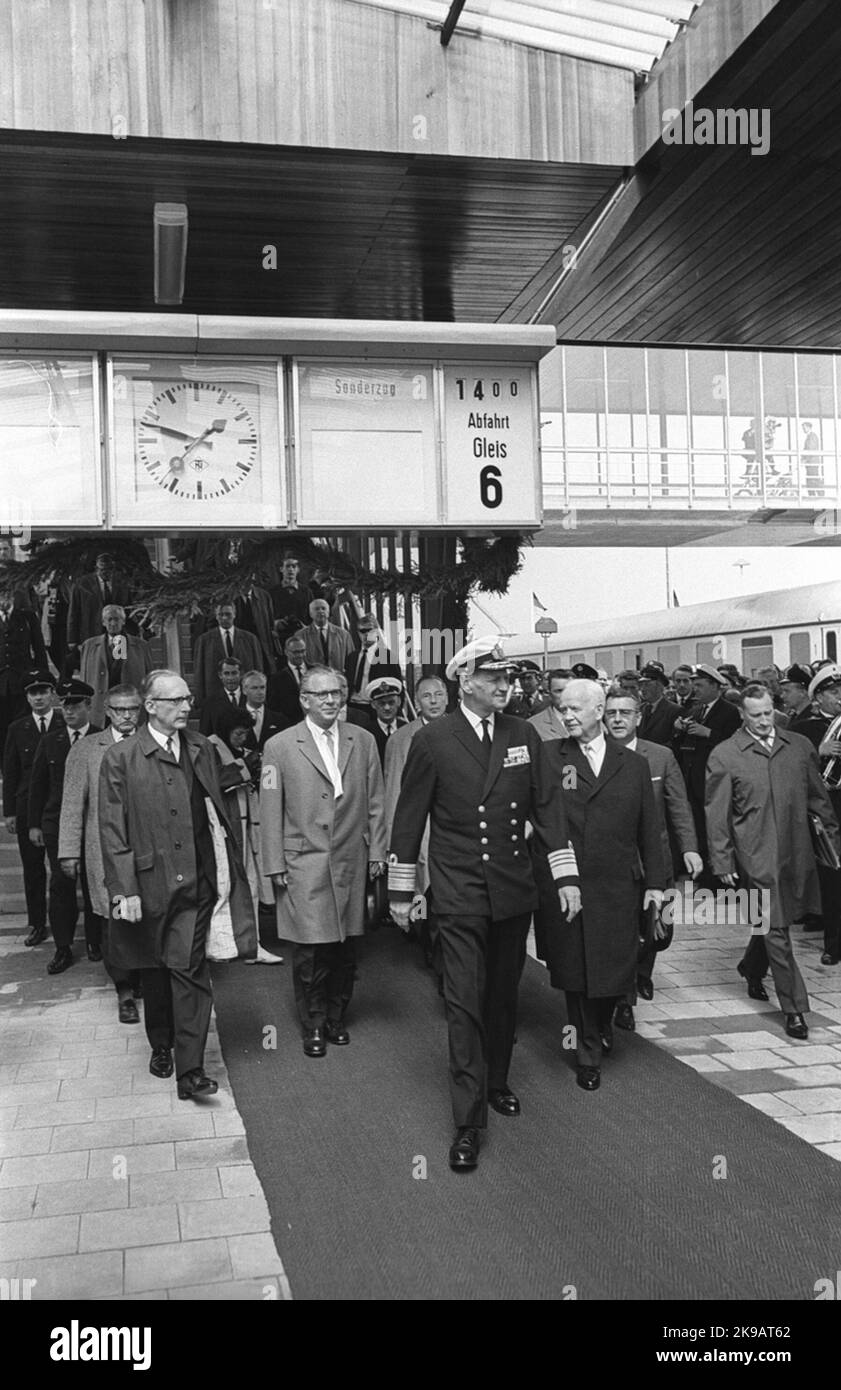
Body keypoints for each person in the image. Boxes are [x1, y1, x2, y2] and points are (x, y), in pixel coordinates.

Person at [389, 639, 580, 1173]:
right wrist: (403, 893)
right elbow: (409, 819)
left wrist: (565, 878)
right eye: (493, 677)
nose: (505, 686)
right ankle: (468, 1120)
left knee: (502, 995)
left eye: (508, 678)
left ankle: (497, 1080)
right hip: (459, 891)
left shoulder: (522, 734)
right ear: (464, 680)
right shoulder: (433, 739)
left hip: (513, 889)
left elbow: (547, 806)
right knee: (465, 1000)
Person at [98, 669, 257, 1098]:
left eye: (189, 699)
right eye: (178, 701)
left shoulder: (202, 747)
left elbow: (216, 806)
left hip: (198, 881)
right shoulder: (122, 757)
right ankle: (161, 1046)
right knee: (154, 968)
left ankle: (190, 1072)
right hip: (150, 882)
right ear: (151, 706)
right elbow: (112, 830)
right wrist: (123, 889)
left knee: (190, 971)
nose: (188, 707)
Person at [534, 678, 664, 1092]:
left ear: (600, 710)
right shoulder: (551, 757)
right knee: (576, 970)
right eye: (562, 709)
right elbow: (545, 820)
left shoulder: (633, 763)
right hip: (568, 884)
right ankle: (587, 1051)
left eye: (575, 709)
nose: (566, 716)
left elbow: (651, 828)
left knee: (614, 968)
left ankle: (602, 1024)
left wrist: (657, 884)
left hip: (618, 887)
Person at [260, 665, 387, 1058]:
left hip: (352, 857)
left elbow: (377, 802)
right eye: (321, 694)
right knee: (311, 950)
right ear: (304, 700)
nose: (331, 700)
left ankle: (336, 1017)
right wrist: (274, 863)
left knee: (346, 947)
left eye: (336, 692)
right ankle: (313, 1024)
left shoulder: (362, 740)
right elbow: (269, 807)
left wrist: (378, 852)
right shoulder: (278, 746)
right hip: (303, 861)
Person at [707, 684, 838, 1041]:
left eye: (768, 713)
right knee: (776, 927)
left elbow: (818, 799)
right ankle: (794, 1009)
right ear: (742, 715)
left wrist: (833, 841)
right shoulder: (725, 755)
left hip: (796, 853)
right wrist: (722, 861)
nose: (764, 721)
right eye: (755, 715)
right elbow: (716, 815)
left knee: (775, 922)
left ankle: (751, 966)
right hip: (755, 857)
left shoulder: (799, 747)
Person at [603, 688, 701, 1030]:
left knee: (660, 931)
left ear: (638, 718)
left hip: (658, 860)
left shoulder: (660, 756)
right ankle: (624, 999)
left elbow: (678, 805)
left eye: (625, 713)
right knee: (625, 931)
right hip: (616, 863)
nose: (617, 719)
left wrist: (689, 847)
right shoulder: (593, 754)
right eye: (611, 712)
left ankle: (643, 970)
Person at [58, 684, 151, 1024]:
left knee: (146, 917)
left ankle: (143, 978)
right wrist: (69, 851)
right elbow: (72, 805)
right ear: (107, 712)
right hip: (104, 852)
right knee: (115, 922)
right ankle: (124, 990)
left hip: (146, 851)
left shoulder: (151, 743)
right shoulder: (86, 750)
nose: (127, 716)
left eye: (133, 709)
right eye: (119, 710)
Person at [28, 679, 101, 975]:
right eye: (65, 705)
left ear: (88, 706)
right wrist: (34, 824)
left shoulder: (101, 738)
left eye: (75, 705)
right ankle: (63, 947)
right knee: (61, 887)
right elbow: (38, 786)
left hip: (94, 823)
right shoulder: (51, 741)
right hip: (58, 825)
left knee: (96, 883)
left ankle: (97, 941)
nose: (68, 711)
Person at [384, 673, 449, 979]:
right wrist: (395, 842)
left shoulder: (461, 730)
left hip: (455, 828)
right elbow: (395, 792)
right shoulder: (401, 739)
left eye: (438, 695)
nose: (433, 701)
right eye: (426, 696)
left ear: (448, 698)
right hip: (421, 830)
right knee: (424, 892)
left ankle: (445, 956)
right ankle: (429, 944)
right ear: (416, 701)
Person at [207, 704, 283, 966]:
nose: (242, 738)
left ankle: (251, 944)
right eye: (237, 734)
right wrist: (245, 767)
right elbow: (214, 781)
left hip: (251, 827)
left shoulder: (248, 752)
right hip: (224, 828)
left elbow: (269, 784)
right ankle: (224, 944)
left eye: (244, 733)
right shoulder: (211, 748)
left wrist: (265, 773)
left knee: (251, 884)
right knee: (225, 886)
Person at [3, 669, 63, 946]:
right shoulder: (18, 728)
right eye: (33, 692)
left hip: (60, 806)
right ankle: (38, 923)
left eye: (43, 691)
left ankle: (65, 921)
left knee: (62, 869)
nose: (39, 697)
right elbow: (11, 772)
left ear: (53, 694)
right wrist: (10, 812)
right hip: (28, 808)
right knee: (33, 869)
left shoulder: (65, 722)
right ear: (27, 698)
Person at [790, 664, 841, 966]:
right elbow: (790, 767)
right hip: (827, 811)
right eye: (834, 693)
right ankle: (833, 944)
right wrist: (819, 750)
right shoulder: (803, 729)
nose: (840, 698)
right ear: (818, 697)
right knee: (833, 879)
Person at [672, 662, 740, 889]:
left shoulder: (729, 711)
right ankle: (703, 873)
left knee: (716, 826)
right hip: (694, 777)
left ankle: (719, 874)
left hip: (715, 778)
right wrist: (679, 729)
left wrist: (708, 733)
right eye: (694, 685)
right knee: (699, 825)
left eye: (700, 685)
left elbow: (735, 745)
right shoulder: (695, 710)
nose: (695, 690)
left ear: (714, 686)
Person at [78, 604, 154, 726]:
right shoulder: (90, 646)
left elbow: (150, 680)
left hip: (130, 706)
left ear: (123, 621)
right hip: (101, 707)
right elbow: (84, 679)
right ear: (103, 622)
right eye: (109, 619)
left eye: (116, 619)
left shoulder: (141, 646)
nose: (113, 623)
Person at [0, 590, 48, 752]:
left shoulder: (27, 617)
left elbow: (39, 649)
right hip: (1, 684)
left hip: (22, 682)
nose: (3, 599)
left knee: (23, 727)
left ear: (12, 595)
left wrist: (43, 679)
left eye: (5, 594)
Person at [192, 603, 263, 707]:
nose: (224, 618)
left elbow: (258, 671)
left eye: (228, 614)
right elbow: (199, 675)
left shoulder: (250, 639)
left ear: (234, 614)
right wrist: (200, 702)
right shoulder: (204, 641)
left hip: (245, 699)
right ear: (216, 616)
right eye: (221, 615)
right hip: (215, 699)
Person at [66, 553, 135, 651]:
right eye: (102, 570)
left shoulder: (122, 582)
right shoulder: (82, 584)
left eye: (109, 569)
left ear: (113, 569)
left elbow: (129, 608)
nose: (106, 573)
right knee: (95, 663)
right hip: (91, 632)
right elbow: (74, 612)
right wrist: (72, 639)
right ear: (96, 569)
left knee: (118, 662)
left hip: (118, 633)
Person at [344, 613, 402, 711]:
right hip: (353, 705)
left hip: (376, 707)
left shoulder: (387, 656)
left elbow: (398, 685)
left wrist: (397, 710)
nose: (366, 634)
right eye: (362, 631)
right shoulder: (352, 657)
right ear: (358, 633)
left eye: (369, 630)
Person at [352, 676, 408, 766]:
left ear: (399, 702)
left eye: (391, 702)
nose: (387, 708)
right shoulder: (366, 733)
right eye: (382, 703)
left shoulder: (407, 729)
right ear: (373, 705)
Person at [239, 670, 289, 752]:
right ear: (244, 690)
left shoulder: (280, 719)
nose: (260, 692)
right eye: (254, 688)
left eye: (262, 687)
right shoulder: (234, 718)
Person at [301, 598, 355, 671]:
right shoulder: (301, 635)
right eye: (317, 609)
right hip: (313, 678)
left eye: (323, 608)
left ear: (329, 612)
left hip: (337, 678)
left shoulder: (344, 635)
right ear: (310, 614)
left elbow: (351, 661)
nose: (320, 611)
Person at [198, 658, 247, 735]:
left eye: (234, 673)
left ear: (241, 674)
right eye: (226, 673)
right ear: (220, 675)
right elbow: (205, 734)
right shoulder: (210, 703)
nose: (230, 678)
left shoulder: (250, 698)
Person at [267, 633, 309, 723]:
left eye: (303, 651)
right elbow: (274, 707)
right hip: (290, 724)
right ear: (286, 652)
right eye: (296, 652)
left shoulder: (316, 671)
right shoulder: (276, 678)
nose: (300, 655)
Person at [638, 661, 681, 745]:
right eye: (641, 685)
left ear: (659, 686)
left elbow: (675, 742)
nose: (642, 689)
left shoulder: (674, 711)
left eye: (647, 685)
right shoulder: (640, 709)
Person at [528, 669, 571, 741]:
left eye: (570, 690)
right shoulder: (533, 725)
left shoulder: (592, 720)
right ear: (550, 694)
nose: (565, 695)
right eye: (559, 691)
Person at [778, 663, 815, 732]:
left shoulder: (813, 721)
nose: (782, 696)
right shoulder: (794, 715)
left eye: (787, 691)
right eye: (782, 691)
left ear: (803, 692)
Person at [802, 421, 823, 497]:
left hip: (812, 462)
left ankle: (819, 495)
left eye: (804, 428)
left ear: (809, 427)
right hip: (810, 462)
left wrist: (804, 458)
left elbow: (811, 449)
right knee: (811, 478)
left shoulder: (812, 436)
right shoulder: (809, 436)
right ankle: (812, 494)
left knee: (813, 478)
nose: (803, 429)